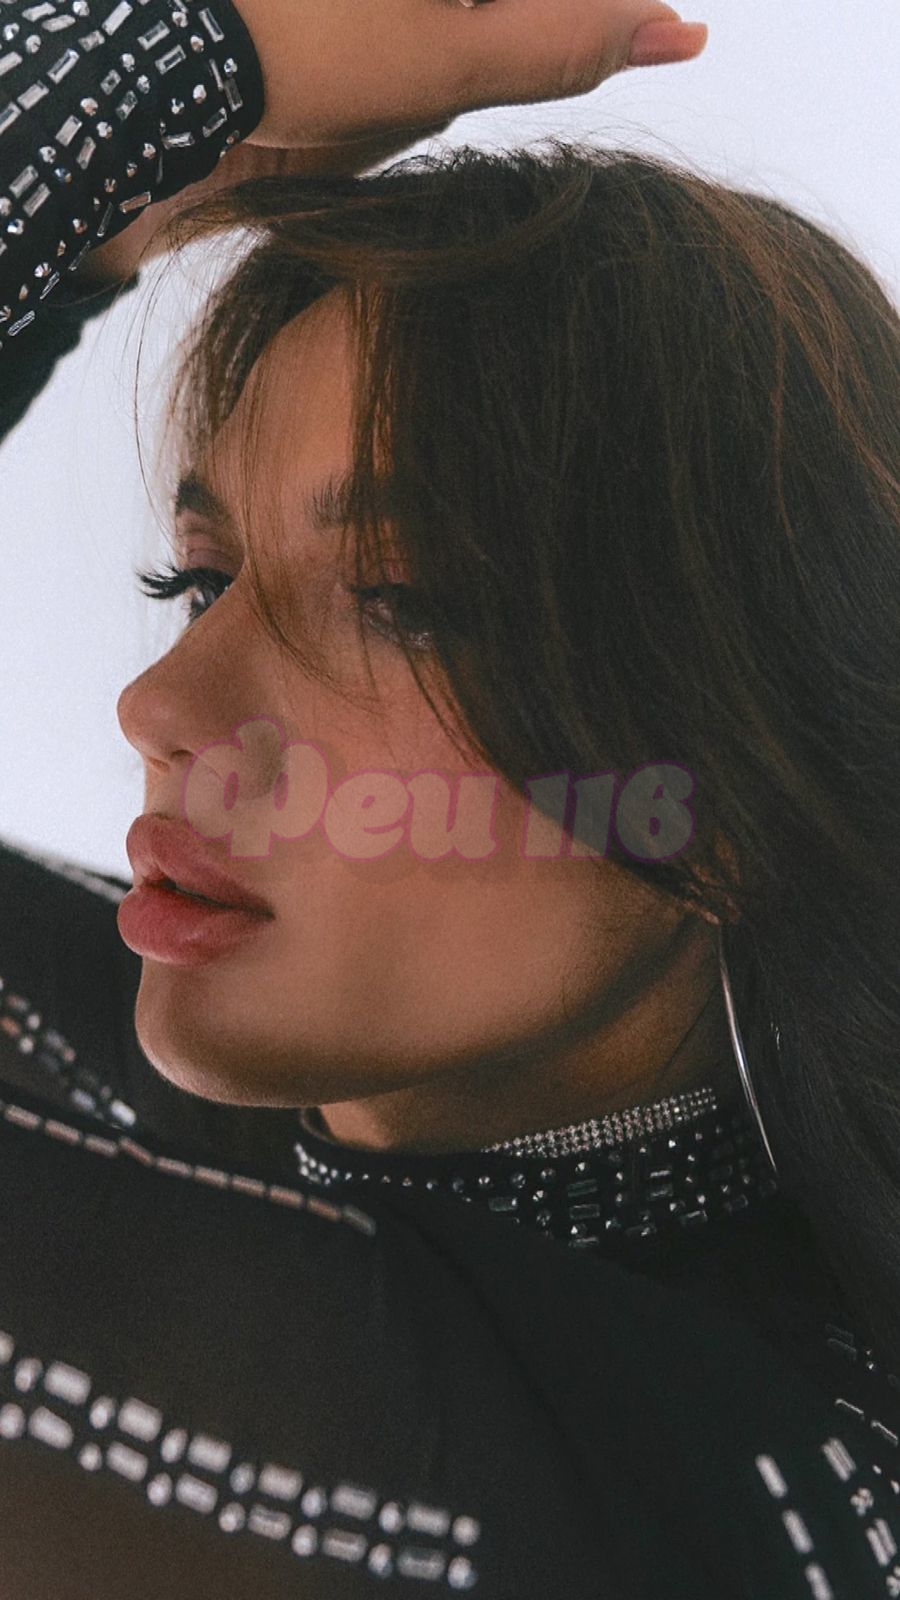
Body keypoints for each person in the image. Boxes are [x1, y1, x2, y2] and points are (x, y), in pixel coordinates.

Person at [0, 1, 898, 1595]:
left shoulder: (695, 1477)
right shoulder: (203, 1132)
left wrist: (152, 70)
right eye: (199, 580)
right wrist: (111, 227)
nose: (162, 708)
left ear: (730, 801)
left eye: (403, 602)